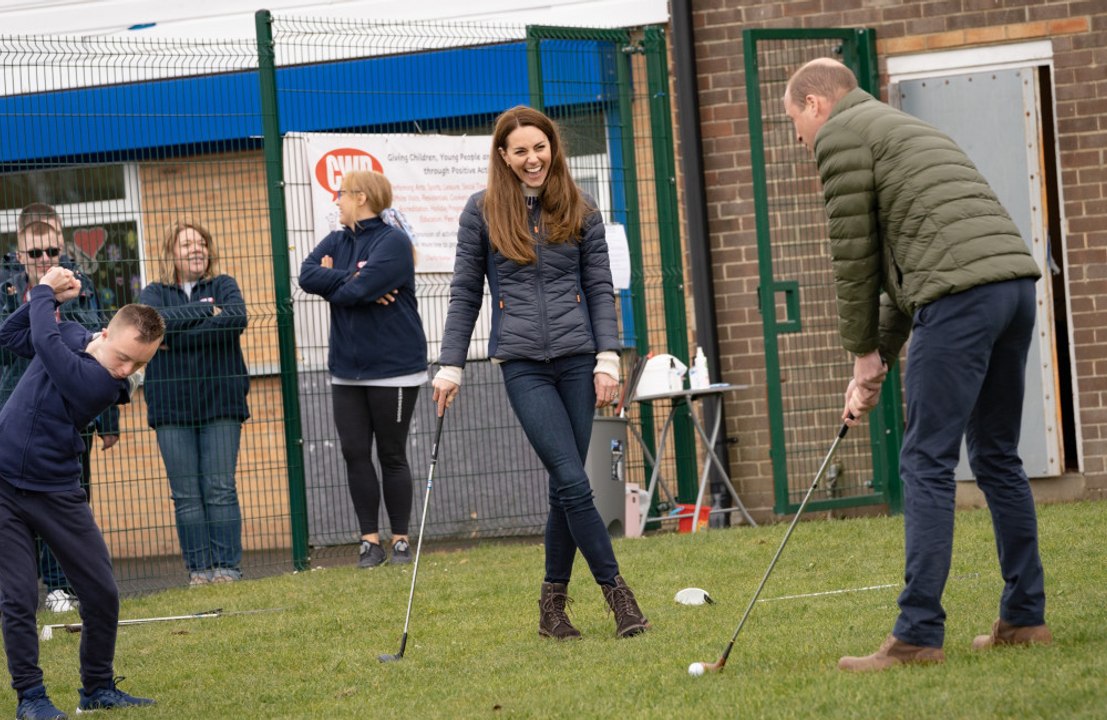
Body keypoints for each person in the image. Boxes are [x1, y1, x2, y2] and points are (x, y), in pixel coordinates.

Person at [782, 58, 1050, 671]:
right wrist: (875, 361)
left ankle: (917, 635)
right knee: (996, 456)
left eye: (796, 124)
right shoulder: (899, 127)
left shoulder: (842, 137)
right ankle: (1024, 620)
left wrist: (860, 355)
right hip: (1009, 288)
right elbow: (914, 265)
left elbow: (855, 260)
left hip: (959, 300)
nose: (799, 140)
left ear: (816, 104)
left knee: (925, 459)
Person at [432, 105, 649, 640]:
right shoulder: (481, 212)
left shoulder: (582, 208)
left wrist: (606, 359)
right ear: (503, 157)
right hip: (522, 365)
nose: (533, 159)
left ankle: (551, 610)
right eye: (521, 150)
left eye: (540, 147)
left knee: (564, 488)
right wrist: (450, 365)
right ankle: (619, 596)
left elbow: (600, 290)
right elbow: (464, 294)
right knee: (575, 480)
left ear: (553, 148)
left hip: (579, 360)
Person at [0, 265, 163, 717]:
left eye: (139, 365)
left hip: (56, 491)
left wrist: (45, 296)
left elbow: (48, 349)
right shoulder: (71, 332)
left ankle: (96, 687)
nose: (127, 369)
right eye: (126, 355)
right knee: (16, 597)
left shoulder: (103, 386)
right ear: (107, 332)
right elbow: (12, 336)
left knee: (101, 592)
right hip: (3, 483)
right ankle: (31, 699)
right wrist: (43, 298)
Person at [299, 170, 428, 568]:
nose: (336, 202)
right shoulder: (337, 240)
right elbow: (306, 275)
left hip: (395, 369)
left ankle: (401, 540)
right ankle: (369, 543)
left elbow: (353, 292)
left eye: (340, 195)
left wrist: (345, 283)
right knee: (355, 452)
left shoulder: (393, 242)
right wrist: (353, 278)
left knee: (391, 453)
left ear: (360, 197)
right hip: (346, 370)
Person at [1, 203, 120, 615]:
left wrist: (110, 420)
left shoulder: (80, 285)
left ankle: (58, 587)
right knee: (12, 508)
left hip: (67, 418)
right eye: (35, 254)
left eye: (51, 252)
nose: (45, 260)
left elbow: (104, 348)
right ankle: (16, 592)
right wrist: (39, 299)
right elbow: (9, 340)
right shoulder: (7, 290)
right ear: (20, 256)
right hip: (13, 414)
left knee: (63, 499)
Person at [139, 221, 249, 586]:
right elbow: (151, 325)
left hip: (221, 402)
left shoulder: (224, 285)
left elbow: (236, 318)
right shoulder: (153, 291)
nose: (197, 249)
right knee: (186, 495)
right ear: (172, 251)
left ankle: (227, 569)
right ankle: (199, 571)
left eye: (202, 243)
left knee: (220, 488)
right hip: (171, 407)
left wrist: (176, 336)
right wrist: (207, 314)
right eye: (187, 244)